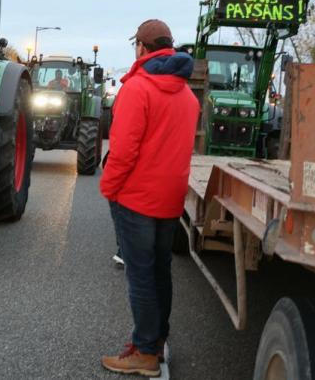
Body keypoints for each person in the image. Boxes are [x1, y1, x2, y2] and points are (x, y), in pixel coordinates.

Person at [99, 19, 199, 377]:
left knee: (140, 276)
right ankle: (156, 342)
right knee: (160, 272)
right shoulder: (187, 95)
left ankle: (143, 352)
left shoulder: (138, 89)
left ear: (141, 48)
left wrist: (108, 187)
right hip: (169, 200)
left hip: (136, 199)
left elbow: (122, 152)